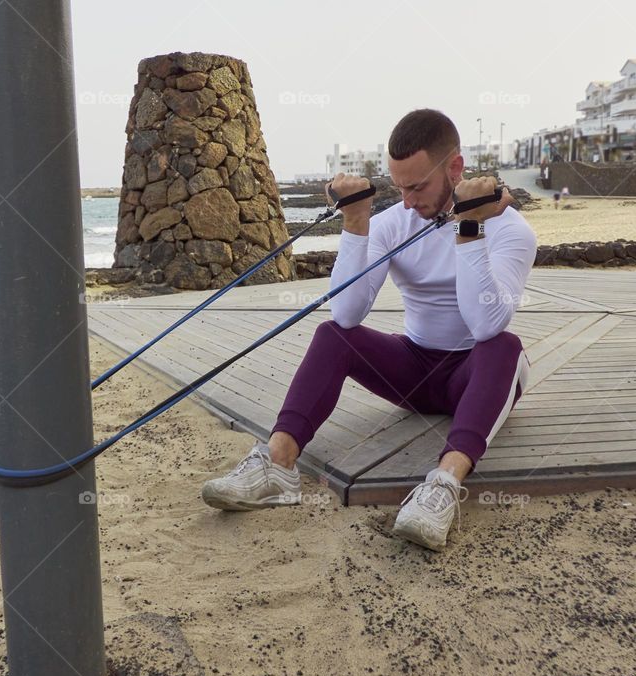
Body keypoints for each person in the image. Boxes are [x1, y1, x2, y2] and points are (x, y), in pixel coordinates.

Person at [201, 109, 537, 551]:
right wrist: (356, 223)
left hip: (476, 374)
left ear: (454, 168)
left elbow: (485, 323)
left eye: (418, 186)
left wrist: (470, 226)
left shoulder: (511, 230)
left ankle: (442, 487)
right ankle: (278, 467)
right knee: (331, 335)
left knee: (505, 346)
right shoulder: (392, 223)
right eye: (399, 187)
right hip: (414, 371)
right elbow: (345, 315)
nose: (408, 201)